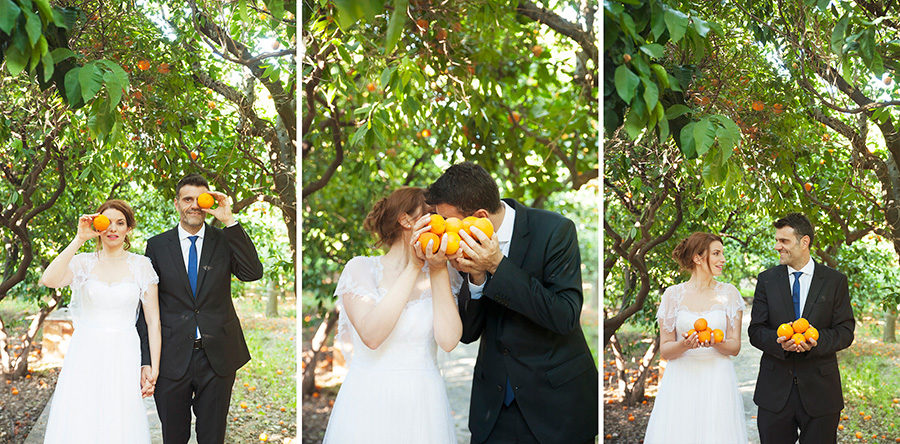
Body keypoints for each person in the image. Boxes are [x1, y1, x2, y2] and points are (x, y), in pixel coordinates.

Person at [425, 162, 598, 444]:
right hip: (493, 410)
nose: (443, 230)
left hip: (557, 407)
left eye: (447, 220)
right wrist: (478, 278)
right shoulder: (462, 244)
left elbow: (564, 315)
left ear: (480, 216)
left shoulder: (556, 230)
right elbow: (468, 334)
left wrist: (497, 266)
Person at [323, 186, 462, 444]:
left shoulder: (443, 273)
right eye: (432, 215)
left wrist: (438, 269)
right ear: (406, 220)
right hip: (369, 400)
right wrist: (413, 267)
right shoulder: (360, 269)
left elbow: (449, 340)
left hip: (424, 404)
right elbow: (372, 335)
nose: (441, 225)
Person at [137, 174, 263, 444]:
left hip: (217, 358)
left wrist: (229, 219)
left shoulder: (225, 239)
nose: (194, 205)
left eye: (200, 199)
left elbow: (253, 273)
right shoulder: (157, 246)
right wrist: (147, 359)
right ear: (176, 203)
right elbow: (147, 309)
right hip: (171, 357)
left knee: (212, 437)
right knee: (174, 437)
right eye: (187, 199)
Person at [40, 199, 161, 443]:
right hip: (86, 349)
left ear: (129, 229)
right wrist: (78, 239)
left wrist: (153, 368)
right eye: (108, 223)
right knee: (82, 412)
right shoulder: (83, 262)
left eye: (120, 223)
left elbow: (153, 321)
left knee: (120, 414)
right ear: (98, 226)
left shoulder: (141, 265)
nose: (113, 229)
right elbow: (49, 279)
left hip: (124, 349)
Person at [748, 213, 855, 444]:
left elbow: (845, 331)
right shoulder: (766, 280)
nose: (777, 246)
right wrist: (780, 342)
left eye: (784, 241)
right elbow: (756, 331)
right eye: (777, 240)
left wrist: (815, 342)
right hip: (774, 394)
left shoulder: (835, 281)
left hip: (821, 393)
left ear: (804, 242)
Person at [643, 232, 747, 444]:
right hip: (682, 378)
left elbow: (735, 347)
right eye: (716, 253)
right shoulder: (672, 295)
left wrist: (717, 342)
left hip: (718, 378)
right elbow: (665, 350)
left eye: (722, 253)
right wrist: (683, 345)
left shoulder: (730, 294)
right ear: (698, 258)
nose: (723, 259)